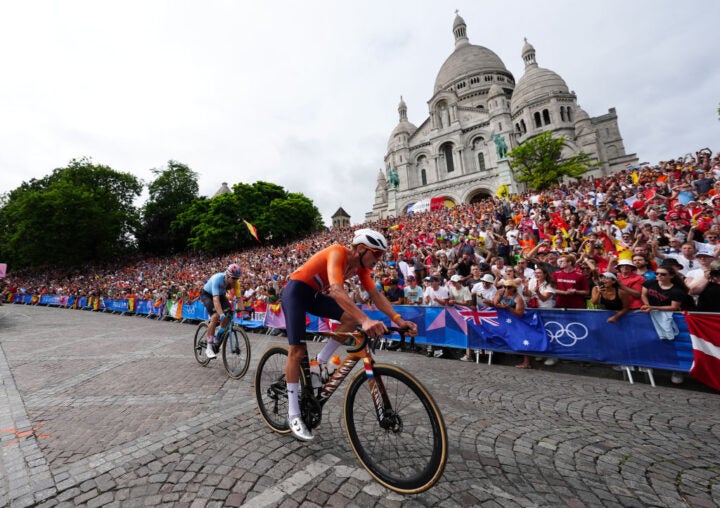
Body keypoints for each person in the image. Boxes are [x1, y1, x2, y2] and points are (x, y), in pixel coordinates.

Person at [281, 228, 417, 441]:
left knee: (350, 318)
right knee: (297, 350)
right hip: (296, 291)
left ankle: (320, 362)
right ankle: (293, 414)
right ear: (362, 249)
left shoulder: (360, 269)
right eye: (377, 254)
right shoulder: (338, 252)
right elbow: (336, 291)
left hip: (315, 295)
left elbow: (375, 295)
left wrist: (399, 320)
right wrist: (366, 319)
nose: (379, 260)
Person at [200, 263, 243, 359]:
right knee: (215, 316)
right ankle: (209, 347)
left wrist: (244, 312)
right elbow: (215, 300)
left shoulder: (235, 282)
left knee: (229, 314)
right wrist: (221, 314)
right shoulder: (217, 278)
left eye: (237, 279)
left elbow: (239, 298)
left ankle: (217, 337)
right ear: (227, 275)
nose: (235, 281)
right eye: (233, 279)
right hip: (208, 295)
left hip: (220, 295)